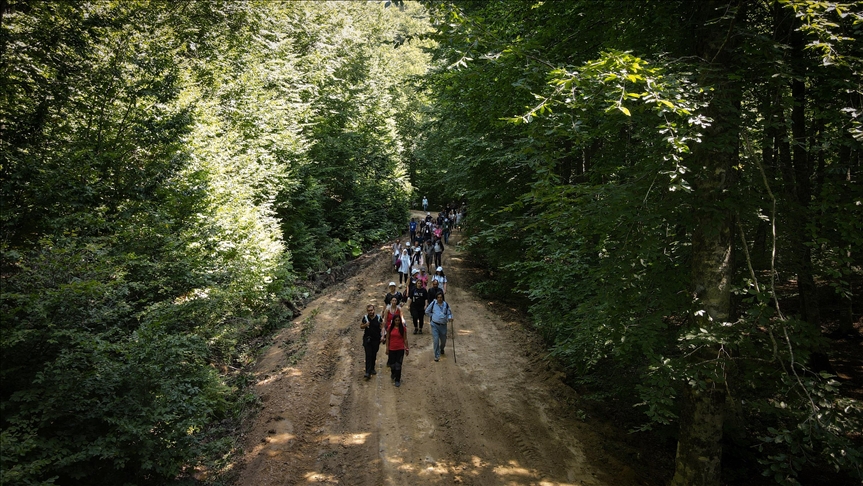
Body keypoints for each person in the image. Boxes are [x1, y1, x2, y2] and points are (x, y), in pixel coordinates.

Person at [425, 292, 453, 362]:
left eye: (441, 297)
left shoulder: (446, 304)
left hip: (443, 325)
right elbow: (427, 311)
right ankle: (436, 355)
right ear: (436, 298)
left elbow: (449, 313)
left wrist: (450, 318)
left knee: (443, 340)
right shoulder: (433, 303)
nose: (439, 299)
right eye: (438, 297)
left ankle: (442, 348)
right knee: (436, 340)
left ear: (443, 298)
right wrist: (432, 315)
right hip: (434, 325)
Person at [385, 314, 409, 387]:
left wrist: (407, 348)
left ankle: (397, 380)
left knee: (398, 365)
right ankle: (393, 373)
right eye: (396, 320)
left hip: (400, 349)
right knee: (392, 365)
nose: (397, 322)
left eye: (398, 320)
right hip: (392, 349)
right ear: (393, 321)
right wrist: (387, 348)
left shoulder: (403, 328)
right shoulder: (390, 327)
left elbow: (405, 339)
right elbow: (387, 338)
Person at [360, 304, 383, 379]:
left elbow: (382, 326)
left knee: (374, 354)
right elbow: (361, 326)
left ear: (374, 310)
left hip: (376, 339)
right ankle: (368, 372)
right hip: (367, 339)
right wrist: (365, 325)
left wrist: (383, 336)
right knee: (368, 355)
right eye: (369, 311)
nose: (370, 312)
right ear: (367, 311)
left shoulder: (378, 318)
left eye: (371, 310)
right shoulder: (365, 318)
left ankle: (372, 368)